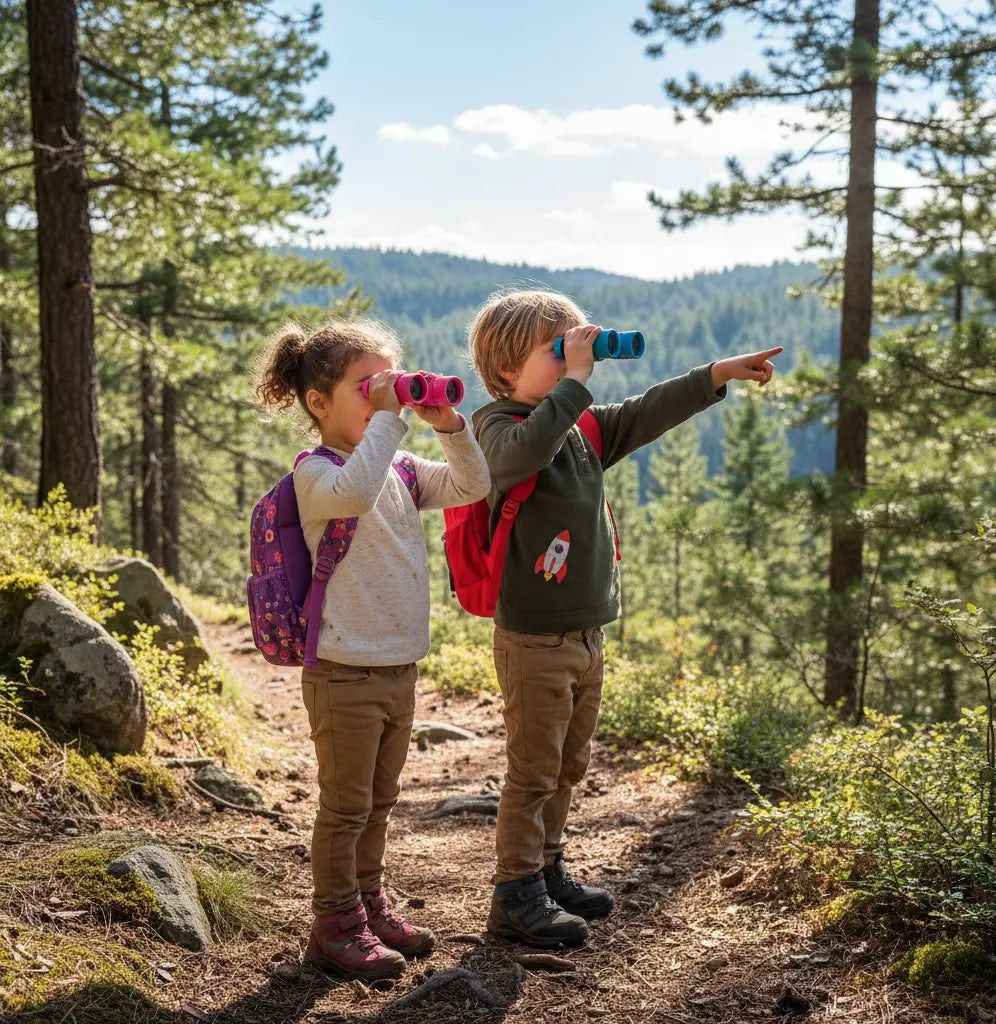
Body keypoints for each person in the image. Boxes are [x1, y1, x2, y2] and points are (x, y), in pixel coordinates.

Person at [467, 289, 782, 948]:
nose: (577, 358)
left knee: (568, 764)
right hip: (532, 637)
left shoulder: (583, 428)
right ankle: (514, 891)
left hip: (586, 634)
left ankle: (547, 868)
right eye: (558, 349)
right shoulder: (496, 428)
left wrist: (715, 375)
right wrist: (575, 382)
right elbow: (521, 456)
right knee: (532, 769)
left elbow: (645, 411)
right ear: (503, 371)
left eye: (581, 343)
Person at [255, 316, 491, 979]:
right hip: (342, 671)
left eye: (391, 383)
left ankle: (367, 901)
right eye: (370, 387)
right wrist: (392, 416)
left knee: (379, 803)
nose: (385, 398)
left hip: (397, 668)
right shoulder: (316, 473)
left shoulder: (405, 472)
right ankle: (333, 922)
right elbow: (354, 493)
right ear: (318, 403)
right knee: (345, 806)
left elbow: (473, 485)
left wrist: (448, 421)